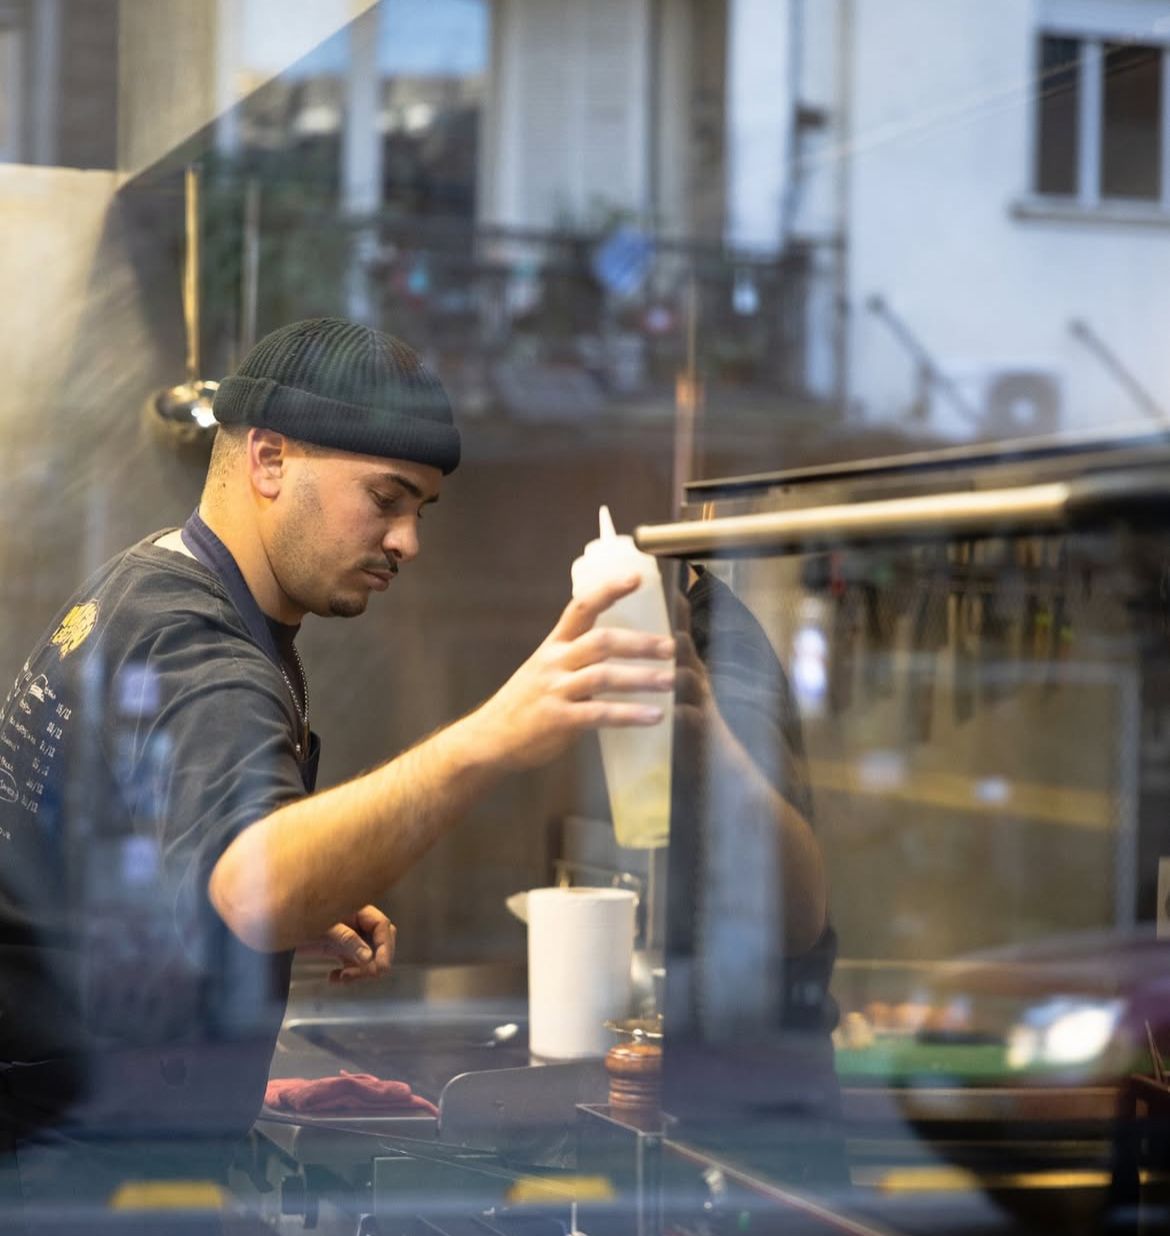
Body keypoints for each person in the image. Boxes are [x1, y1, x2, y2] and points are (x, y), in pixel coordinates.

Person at [0, 318, 678, 1215]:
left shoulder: (144, 585)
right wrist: (497, 734)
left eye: (420, 511)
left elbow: (148, 857)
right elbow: (252, 886)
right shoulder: (199, 642)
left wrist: (265, 896)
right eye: (387, 498)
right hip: (84, 1182)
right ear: (269, 460)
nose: (408, 541)